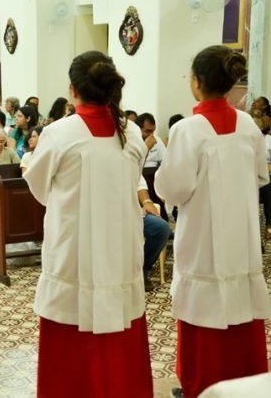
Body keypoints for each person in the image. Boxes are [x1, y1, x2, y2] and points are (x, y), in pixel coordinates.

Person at [23, 51, 152, 397]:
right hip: (120, 250)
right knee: (119, 343)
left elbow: (39, 188)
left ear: (73, 89)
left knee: (71, 345)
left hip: (73, 250)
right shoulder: (132, 132)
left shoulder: (58, 133)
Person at [154, 45, 271, 398]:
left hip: (203, 240)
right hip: (242, 240)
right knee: (242, 315)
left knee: (202, 320)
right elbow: (261, 176)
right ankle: (244, 385)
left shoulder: (188, 130)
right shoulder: (248, 125)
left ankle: (201, 387)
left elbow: (173, 189)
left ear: (197, 82)